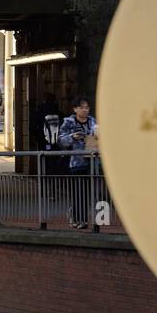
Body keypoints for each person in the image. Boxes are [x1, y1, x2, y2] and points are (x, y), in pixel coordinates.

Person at [58, 97, 100, 229]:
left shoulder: (93, 122)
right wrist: (72, 137)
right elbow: (60, 140)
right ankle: (77, 218)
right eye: (82, 107)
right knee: (78, 192)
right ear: (75, 109)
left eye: (87, 108)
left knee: (86, 192)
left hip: (92, 161)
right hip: (75, 162)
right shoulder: (68, 122)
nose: (85, 110)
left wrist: (98, 134)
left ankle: (83, 220)